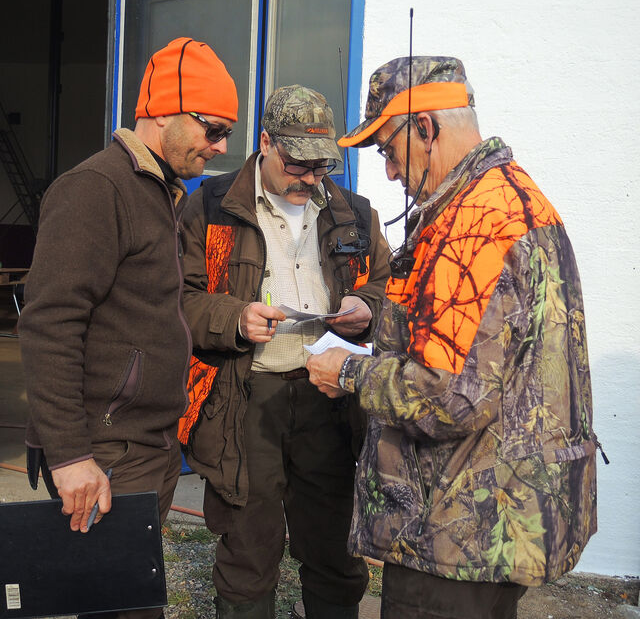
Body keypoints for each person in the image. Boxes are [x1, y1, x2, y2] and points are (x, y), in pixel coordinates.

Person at [306, 57, 600, 619]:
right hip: (498, 517)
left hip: (455, 532)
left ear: (425, 127)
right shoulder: (516, 199)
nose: (390, 172)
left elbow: (447, 397)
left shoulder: (476, 226)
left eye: (388, 151)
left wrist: (347, 371)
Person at [18, 37, 237, 619]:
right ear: (165, 110)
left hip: (146, 444)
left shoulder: (160, 192)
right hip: (104, 449)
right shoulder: (98, 188)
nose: (220, 146)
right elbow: (50, 324)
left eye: (227, 134)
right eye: (213, 129)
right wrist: (69, 455)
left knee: (128, 602)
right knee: (118, 608)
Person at [180, 84, 390, 618]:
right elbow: (177, 299)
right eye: (298, 165)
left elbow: (390, 290)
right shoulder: (210, 208)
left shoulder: (354, 214)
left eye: (321, 167)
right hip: (245, 399)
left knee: (335, 549)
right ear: (266, 143)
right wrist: (234, 318)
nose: (310, 179)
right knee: (248, 548)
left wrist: (367, 308)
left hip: (331, 401)